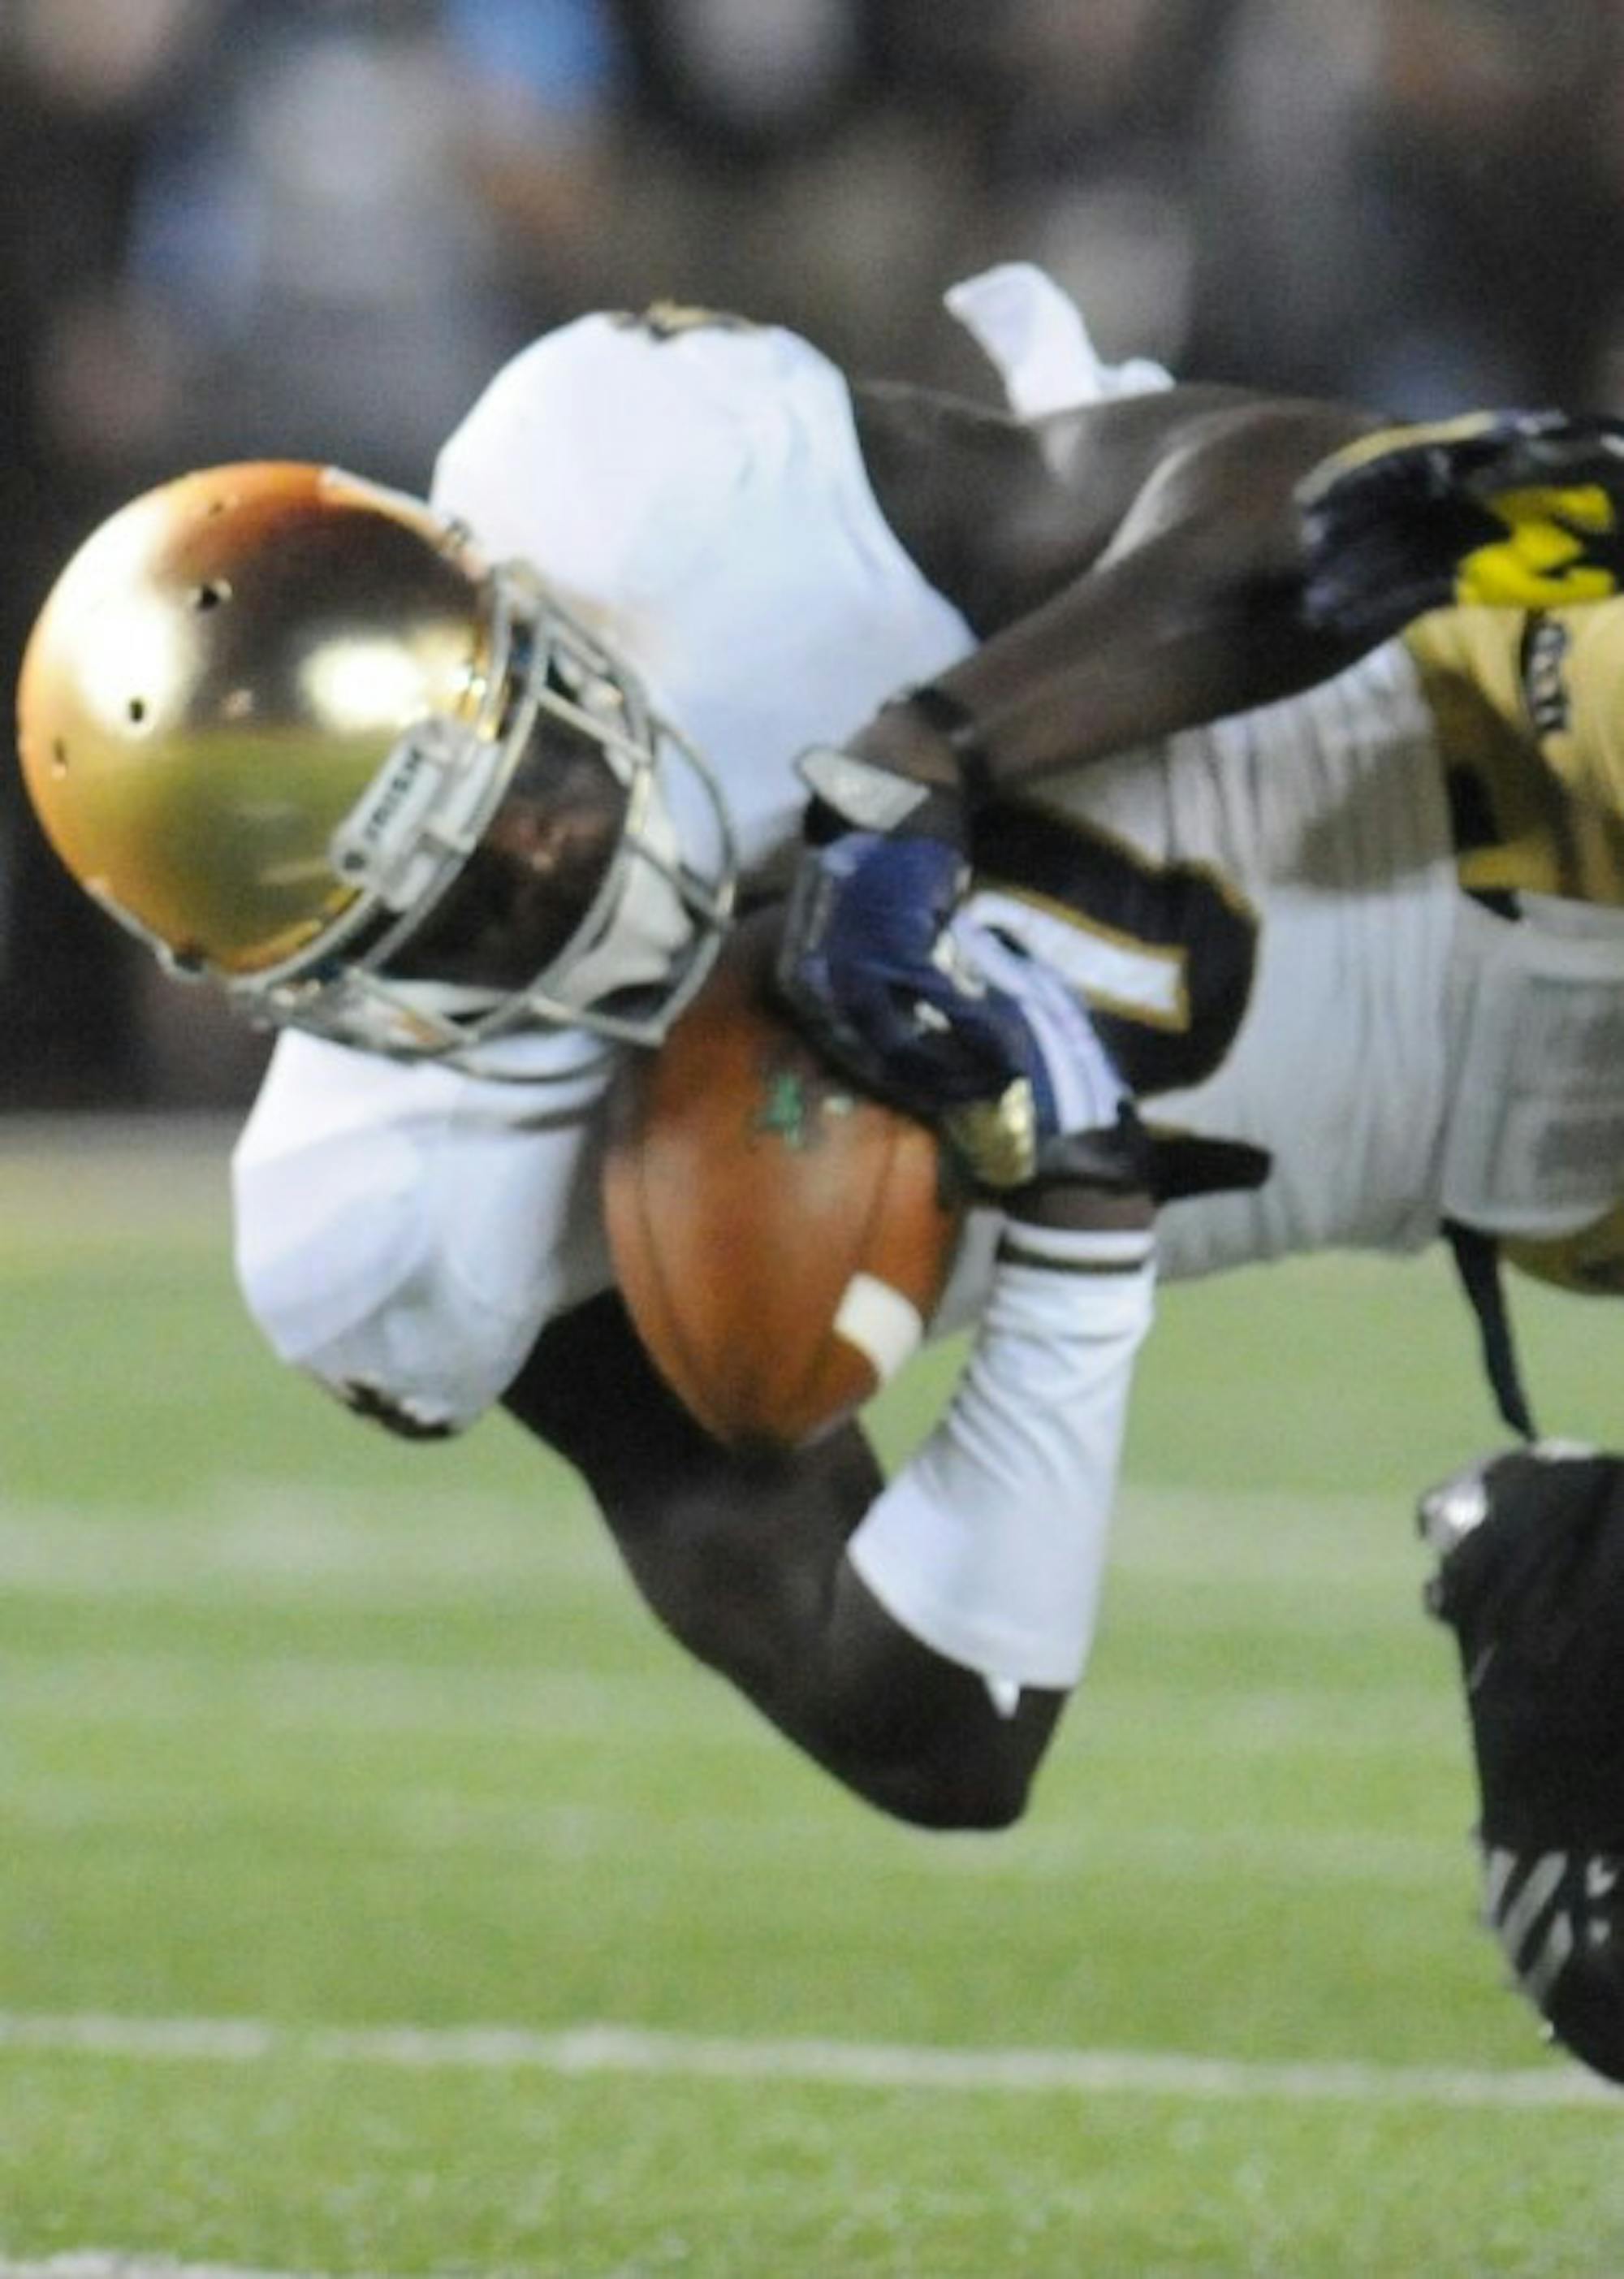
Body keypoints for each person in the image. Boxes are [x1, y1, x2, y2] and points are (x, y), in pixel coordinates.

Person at [15, 262, 1624, 2077]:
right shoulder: (418, 1224)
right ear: (318, 999)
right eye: (459, 907)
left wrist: (931, 757)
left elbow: (1304, 484)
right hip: (1550, 1154)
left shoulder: (656, 510)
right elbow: (934, 1730)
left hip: (1510, 731)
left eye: (523, 773)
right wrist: (1076, 1242)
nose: (555, 860)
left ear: (522, 619)